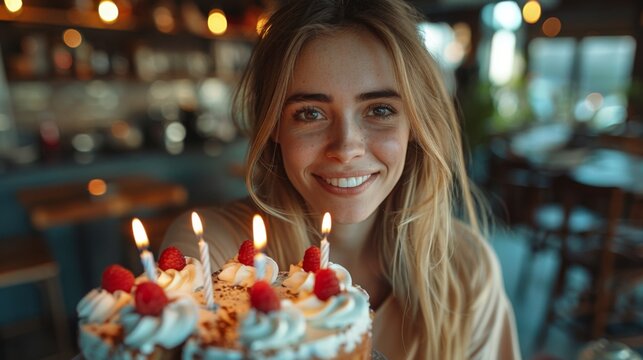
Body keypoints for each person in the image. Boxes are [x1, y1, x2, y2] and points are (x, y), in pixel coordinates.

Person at [163, 0, 521, 358]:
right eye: (310, 113)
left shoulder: (468, 269)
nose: (347, 147)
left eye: (380, 110)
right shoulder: (211, 257)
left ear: (415, 123)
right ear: (273, 126)